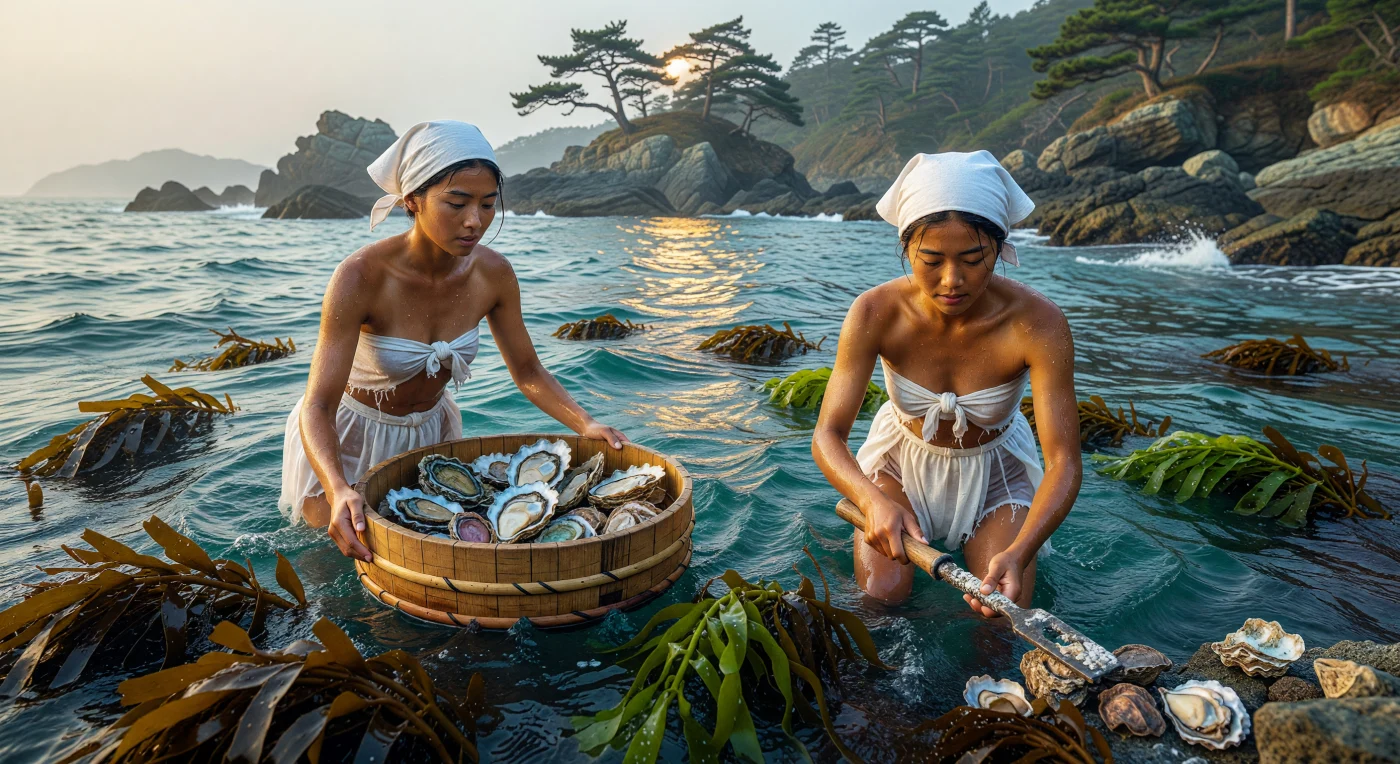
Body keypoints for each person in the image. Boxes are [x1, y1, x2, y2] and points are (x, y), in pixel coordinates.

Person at [279, 120, 628, 562]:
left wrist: (586, 424)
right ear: (412, 200)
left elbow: (528, 371)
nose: (474, 221)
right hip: (345, 438)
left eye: (487, 204)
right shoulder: (360, 277)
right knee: (334, 567)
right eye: (457, 203)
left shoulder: (493, 274)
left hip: (432, 435)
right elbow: (317, 405)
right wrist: (337, 486)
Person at [811, 151, 1081, 615]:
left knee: (1000, 619)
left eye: (974, 260)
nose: (952, 281)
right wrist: (870, 499)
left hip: (998, 474)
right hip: (897, 466)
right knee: (880, 602)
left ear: (999, 248)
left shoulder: (1039, 323)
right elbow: (827, 435)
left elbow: (1064, 461)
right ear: (906, 247)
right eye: (931, 260)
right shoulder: (874, 313)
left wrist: (1020, 552)